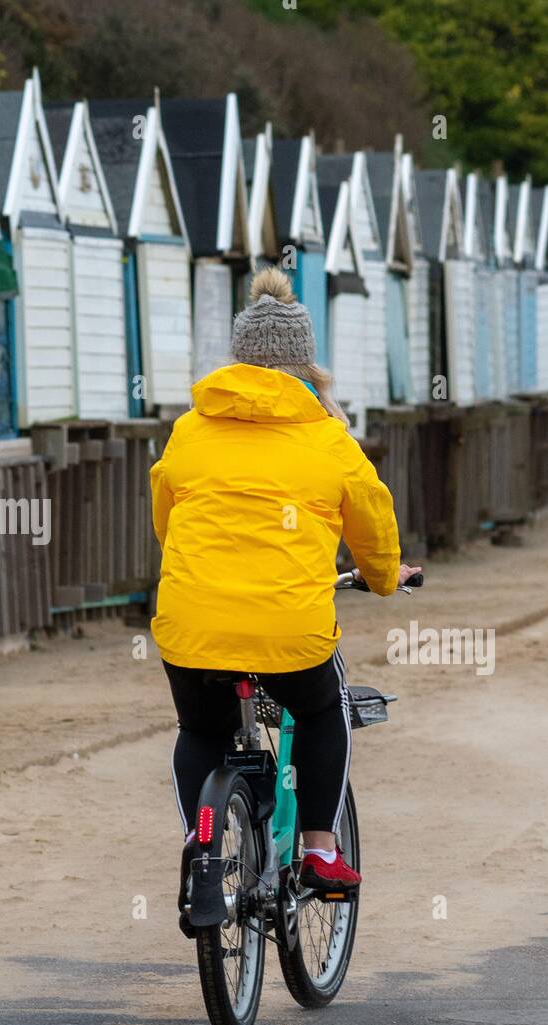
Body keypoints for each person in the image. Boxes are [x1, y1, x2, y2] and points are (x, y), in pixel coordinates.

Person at [150, 266, 419, 896]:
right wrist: (384, 579)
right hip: (288, 629)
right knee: (323, 711)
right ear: (307, 367)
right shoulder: (328, 439)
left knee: (201, 730)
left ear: (238, 362)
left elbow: (166, 519)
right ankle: (321, 851)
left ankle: (203, 847)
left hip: (193, 621)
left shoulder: (190, 430)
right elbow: (374, 521)